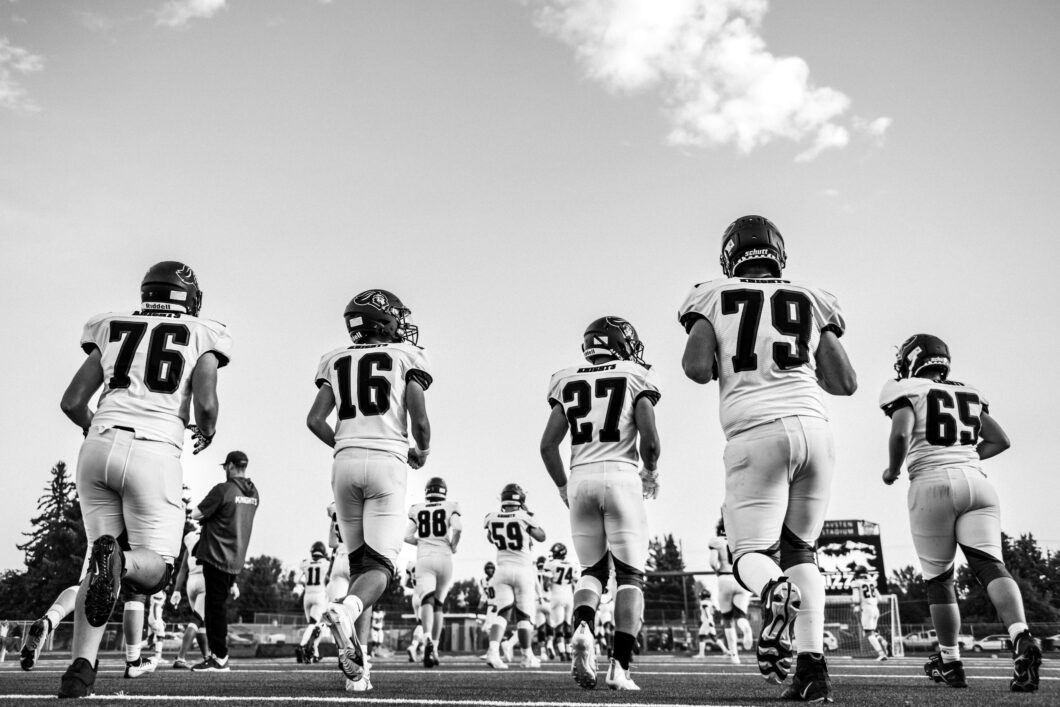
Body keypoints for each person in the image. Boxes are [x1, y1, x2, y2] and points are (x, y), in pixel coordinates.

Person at [679, 216, 856, 702]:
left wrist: (733, 359)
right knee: (803, 551)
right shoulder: (812, 297)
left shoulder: (711, 294)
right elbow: (845, 383)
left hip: (755, 430)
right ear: (778, 253)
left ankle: (773, 590)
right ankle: (812, 669)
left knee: (749, 557)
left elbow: (695, 368)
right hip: (817, 429)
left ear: (729, 256)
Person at [56, 261, 231, 698]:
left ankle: (80, 670)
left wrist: (96, 428)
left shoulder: (110, 326)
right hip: (154, 449)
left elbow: (73, 401)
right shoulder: (203, 332)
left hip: (97, 447)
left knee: (97, 562)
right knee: (152, 569)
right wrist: (206, 431)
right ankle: (121, 562)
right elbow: (206, 404)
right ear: (189, 299)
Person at [880, 334, 1040, 692]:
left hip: (931, 484)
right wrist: (964, 459)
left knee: (939, 580)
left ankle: (951, 662)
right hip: (978, 484)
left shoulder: (903, 388)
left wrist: (892, 470)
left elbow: (901, 433)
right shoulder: (969, 391)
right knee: (990, 565)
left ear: (912, 360)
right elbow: (1001, 440)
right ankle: (1021, 635)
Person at [306, 289, 432, 694]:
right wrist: (421, 450)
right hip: (387, 463)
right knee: (380, 569)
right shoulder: (406, 358)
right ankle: (346, 609)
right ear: (384, 322)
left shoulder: (335, 359)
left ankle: (358, 671)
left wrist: (346, 445)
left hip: (343, 464)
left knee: (361, 569)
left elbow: (314, 419)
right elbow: (421, 422)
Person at [541, 315, 661, 691]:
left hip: (580, 476)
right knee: (630, 576)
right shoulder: (634, 376)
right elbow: (650, 441)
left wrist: (563, 486)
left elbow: (547, 446)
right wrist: (651, 471)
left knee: (591, 569)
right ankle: (619, 668)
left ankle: (582, 626)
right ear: (622, 344)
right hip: (622, 474)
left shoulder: (566, 378)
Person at [190, 450, 260, 672]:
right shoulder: (255, 493)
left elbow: (196, 514)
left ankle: (219, 657)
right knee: (218, 605)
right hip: (237, 557)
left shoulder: (224, 489)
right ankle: (219, 655)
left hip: (217, 554)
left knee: (214, 608)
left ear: (230, 466)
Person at [482, 484, 546, 670]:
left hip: (501, 570)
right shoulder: (525, 517)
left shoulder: (491, 517)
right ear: (520, 500)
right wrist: (529, 518)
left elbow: (490, 537)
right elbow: (541, 536)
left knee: (502, 613)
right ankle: (527, 656)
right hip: (523, 571)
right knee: (524, 616)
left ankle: (493, 651)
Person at [404, 476, 462, 668]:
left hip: (425, 558)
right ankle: (435, 648)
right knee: (438, 604)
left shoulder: (417, 508)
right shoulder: (450, 506)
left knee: (426, 601)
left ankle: (427, 638)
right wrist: (452, 545)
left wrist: (421, 542)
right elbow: (458, 528)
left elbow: (406, 536)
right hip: (445, 558)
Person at [709, 518, 754, 663]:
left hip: (725, 578)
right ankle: (746, 628)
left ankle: (734, 655)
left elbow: (712, 561)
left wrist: (717, 571)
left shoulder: (717, 541)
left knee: (727, 619)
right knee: (740, 615)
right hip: (741, 578)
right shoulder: (741, 540)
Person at [170, 526, 207, 669]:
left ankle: (206, 656)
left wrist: (177, 590)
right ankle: (181, 657)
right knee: (197, 620)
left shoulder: (191, 537)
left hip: (191, 582)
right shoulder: (214, 533)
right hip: (205, 580)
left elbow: (183, 568)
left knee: (200, 623)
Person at [295, 542, 330, 663]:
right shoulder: (326, 563)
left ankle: (314, 654)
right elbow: (331, 579)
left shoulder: (305, 562)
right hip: (319, 596)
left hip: (307, 596)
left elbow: (296, 579)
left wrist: (303, 584)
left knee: (314, 627)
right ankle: (301, 646)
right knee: (315, 626)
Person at [545, 543, 578, 661]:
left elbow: (546, 584)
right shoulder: (572, 564)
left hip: (556, 596)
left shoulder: (550, 564)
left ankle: (562, 652)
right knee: (568, 626)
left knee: (558, 626)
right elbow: (576, 583)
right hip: (569, 596)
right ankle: (569, 652)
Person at [850, 569, 888, 661]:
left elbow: (856, 599)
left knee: (868, 633)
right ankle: (882, 640)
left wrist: (856, 606)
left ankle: (881, 654)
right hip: (875, 608)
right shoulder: (871, 583)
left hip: (867, 609)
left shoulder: (856, 583)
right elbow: (879, 598)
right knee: (872, 632)